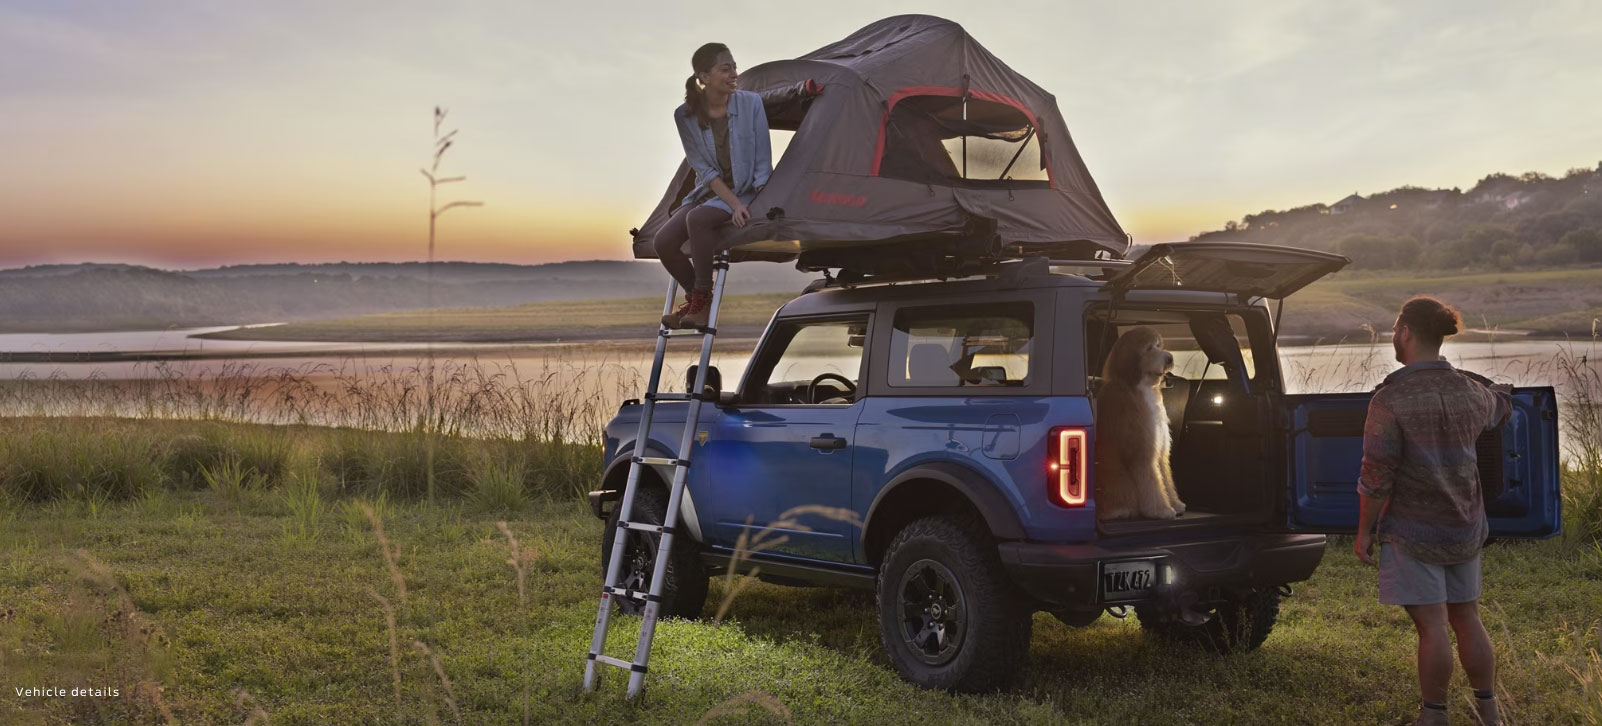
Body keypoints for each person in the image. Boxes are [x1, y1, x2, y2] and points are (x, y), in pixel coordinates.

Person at [1355, 296, 1513, 726]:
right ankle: (1490, 714)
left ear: (1405, 332)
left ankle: (1434, 717)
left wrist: (1364, 530)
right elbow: (1501, 407)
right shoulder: (1470, 391)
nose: (1393, 335)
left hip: (1413, 533)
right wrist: (1503, 393)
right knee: (1467, 615)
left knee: (1432, 627)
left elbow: (1376, 475)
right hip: (1465, 527)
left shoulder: (1391, 399)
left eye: (1394, 329)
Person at [653, 43, 772, 330]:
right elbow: (703, 169)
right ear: (704, 77)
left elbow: (763, 158)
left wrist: (758, 200)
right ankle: (698, 300)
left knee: (698, 218)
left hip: (746, 189)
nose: (734, 74)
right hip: (710, 189)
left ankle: (701, 300)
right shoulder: (684, 115)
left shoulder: (751, 103)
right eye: (725, 68)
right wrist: (732, 204)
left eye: (734, 66)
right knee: (663, 242)